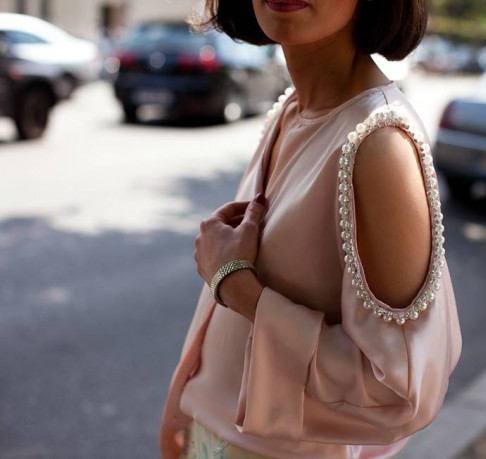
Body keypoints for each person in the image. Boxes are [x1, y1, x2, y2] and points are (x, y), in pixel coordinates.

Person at [160, 0, 462, 457]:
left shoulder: (380, 145)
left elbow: (398, 397)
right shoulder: (291, 109)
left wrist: (238, 289)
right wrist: (183, 405)